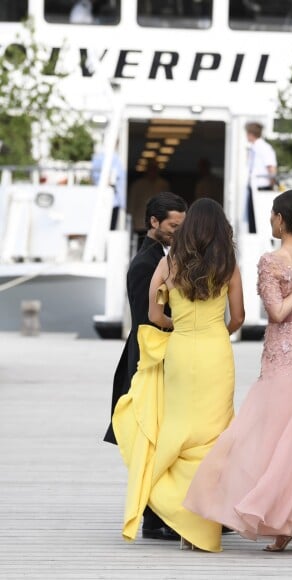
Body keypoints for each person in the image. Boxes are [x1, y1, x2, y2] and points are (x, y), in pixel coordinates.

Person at [183, 189, 292, 552]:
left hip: (285, 355)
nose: (270, 220)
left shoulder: (272, 261)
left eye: (272, 214)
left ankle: (280, 524)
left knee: (266, 438)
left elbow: (278, 313)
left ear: (281, 219)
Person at [112, 198, 245, 552]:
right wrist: (218, 331)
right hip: (217, 351)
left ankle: (170, 504)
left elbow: (153, 315)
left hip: (181, 351)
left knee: (179, 429)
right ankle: (202, 515)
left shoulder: (168, 262)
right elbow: (240, 316)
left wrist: (180, 324)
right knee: (215, 435)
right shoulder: (228, 264)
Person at [104, 191, 187, 540]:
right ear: (153, 223)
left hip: (157, 357)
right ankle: (155, 519)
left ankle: (164, 513)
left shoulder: (160, 257)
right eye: (173, 225)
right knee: (153, 436)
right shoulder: (145, 264)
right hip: (148, 360)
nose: (178, 231)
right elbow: (145, 321)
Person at [244, 121, 277, 233]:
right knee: (252, 218)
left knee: (258, 219)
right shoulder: (254, 148)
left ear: (250, 134)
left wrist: (272, 186)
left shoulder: (264, 147)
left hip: (262, 187)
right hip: (254, 187)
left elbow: (271, 168)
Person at [127, 160, 171, 237]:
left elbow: (168, 204)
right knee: (141, 246)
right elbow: (131, 204)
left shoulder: (163, 184)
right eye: (151, 168)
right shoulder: (137, 185)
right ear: (147, 169)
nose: (153, 171)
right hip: (140, 223)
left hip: (158, 224)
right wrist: (130, 221)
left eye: (155, 169)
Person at [91, 148, 127, 230]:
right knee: (107, 229)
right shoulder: (113, 158)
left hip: (110, 200)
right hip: (109, 200)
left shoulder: (100, 157)